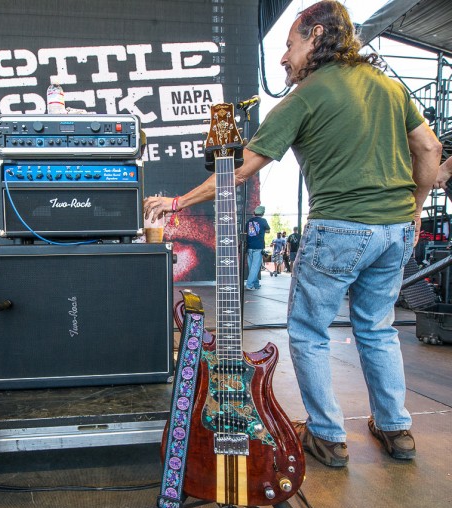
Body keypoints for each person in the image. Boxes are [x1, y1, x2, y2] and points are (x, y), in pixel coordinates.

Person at [143, 0, 442, 467]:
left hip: (340, 227)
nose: (284, 57)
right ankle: (396, 428)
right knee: (378, 329)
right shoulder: (388, 87)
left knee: (309, 332)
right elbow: (429, 147)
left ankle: (327, 436)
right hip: (395, 230)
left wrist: (176, 203)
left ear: (317, 36)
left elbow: (237, 171)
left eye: (289, 44)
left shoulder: (306, 95)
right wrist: (415, 209)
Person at [245, 206, 271, 290]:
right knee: (255, 267)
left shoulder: (249, 221)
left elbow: (246, 232)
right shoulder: (263, 221)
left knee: (251, 267)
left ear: (254, 213)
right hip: (258, 246)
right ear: (262, 213)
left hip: (249, 246)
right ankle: (249, 285)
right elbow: (268, 230)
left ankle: (256, 284)